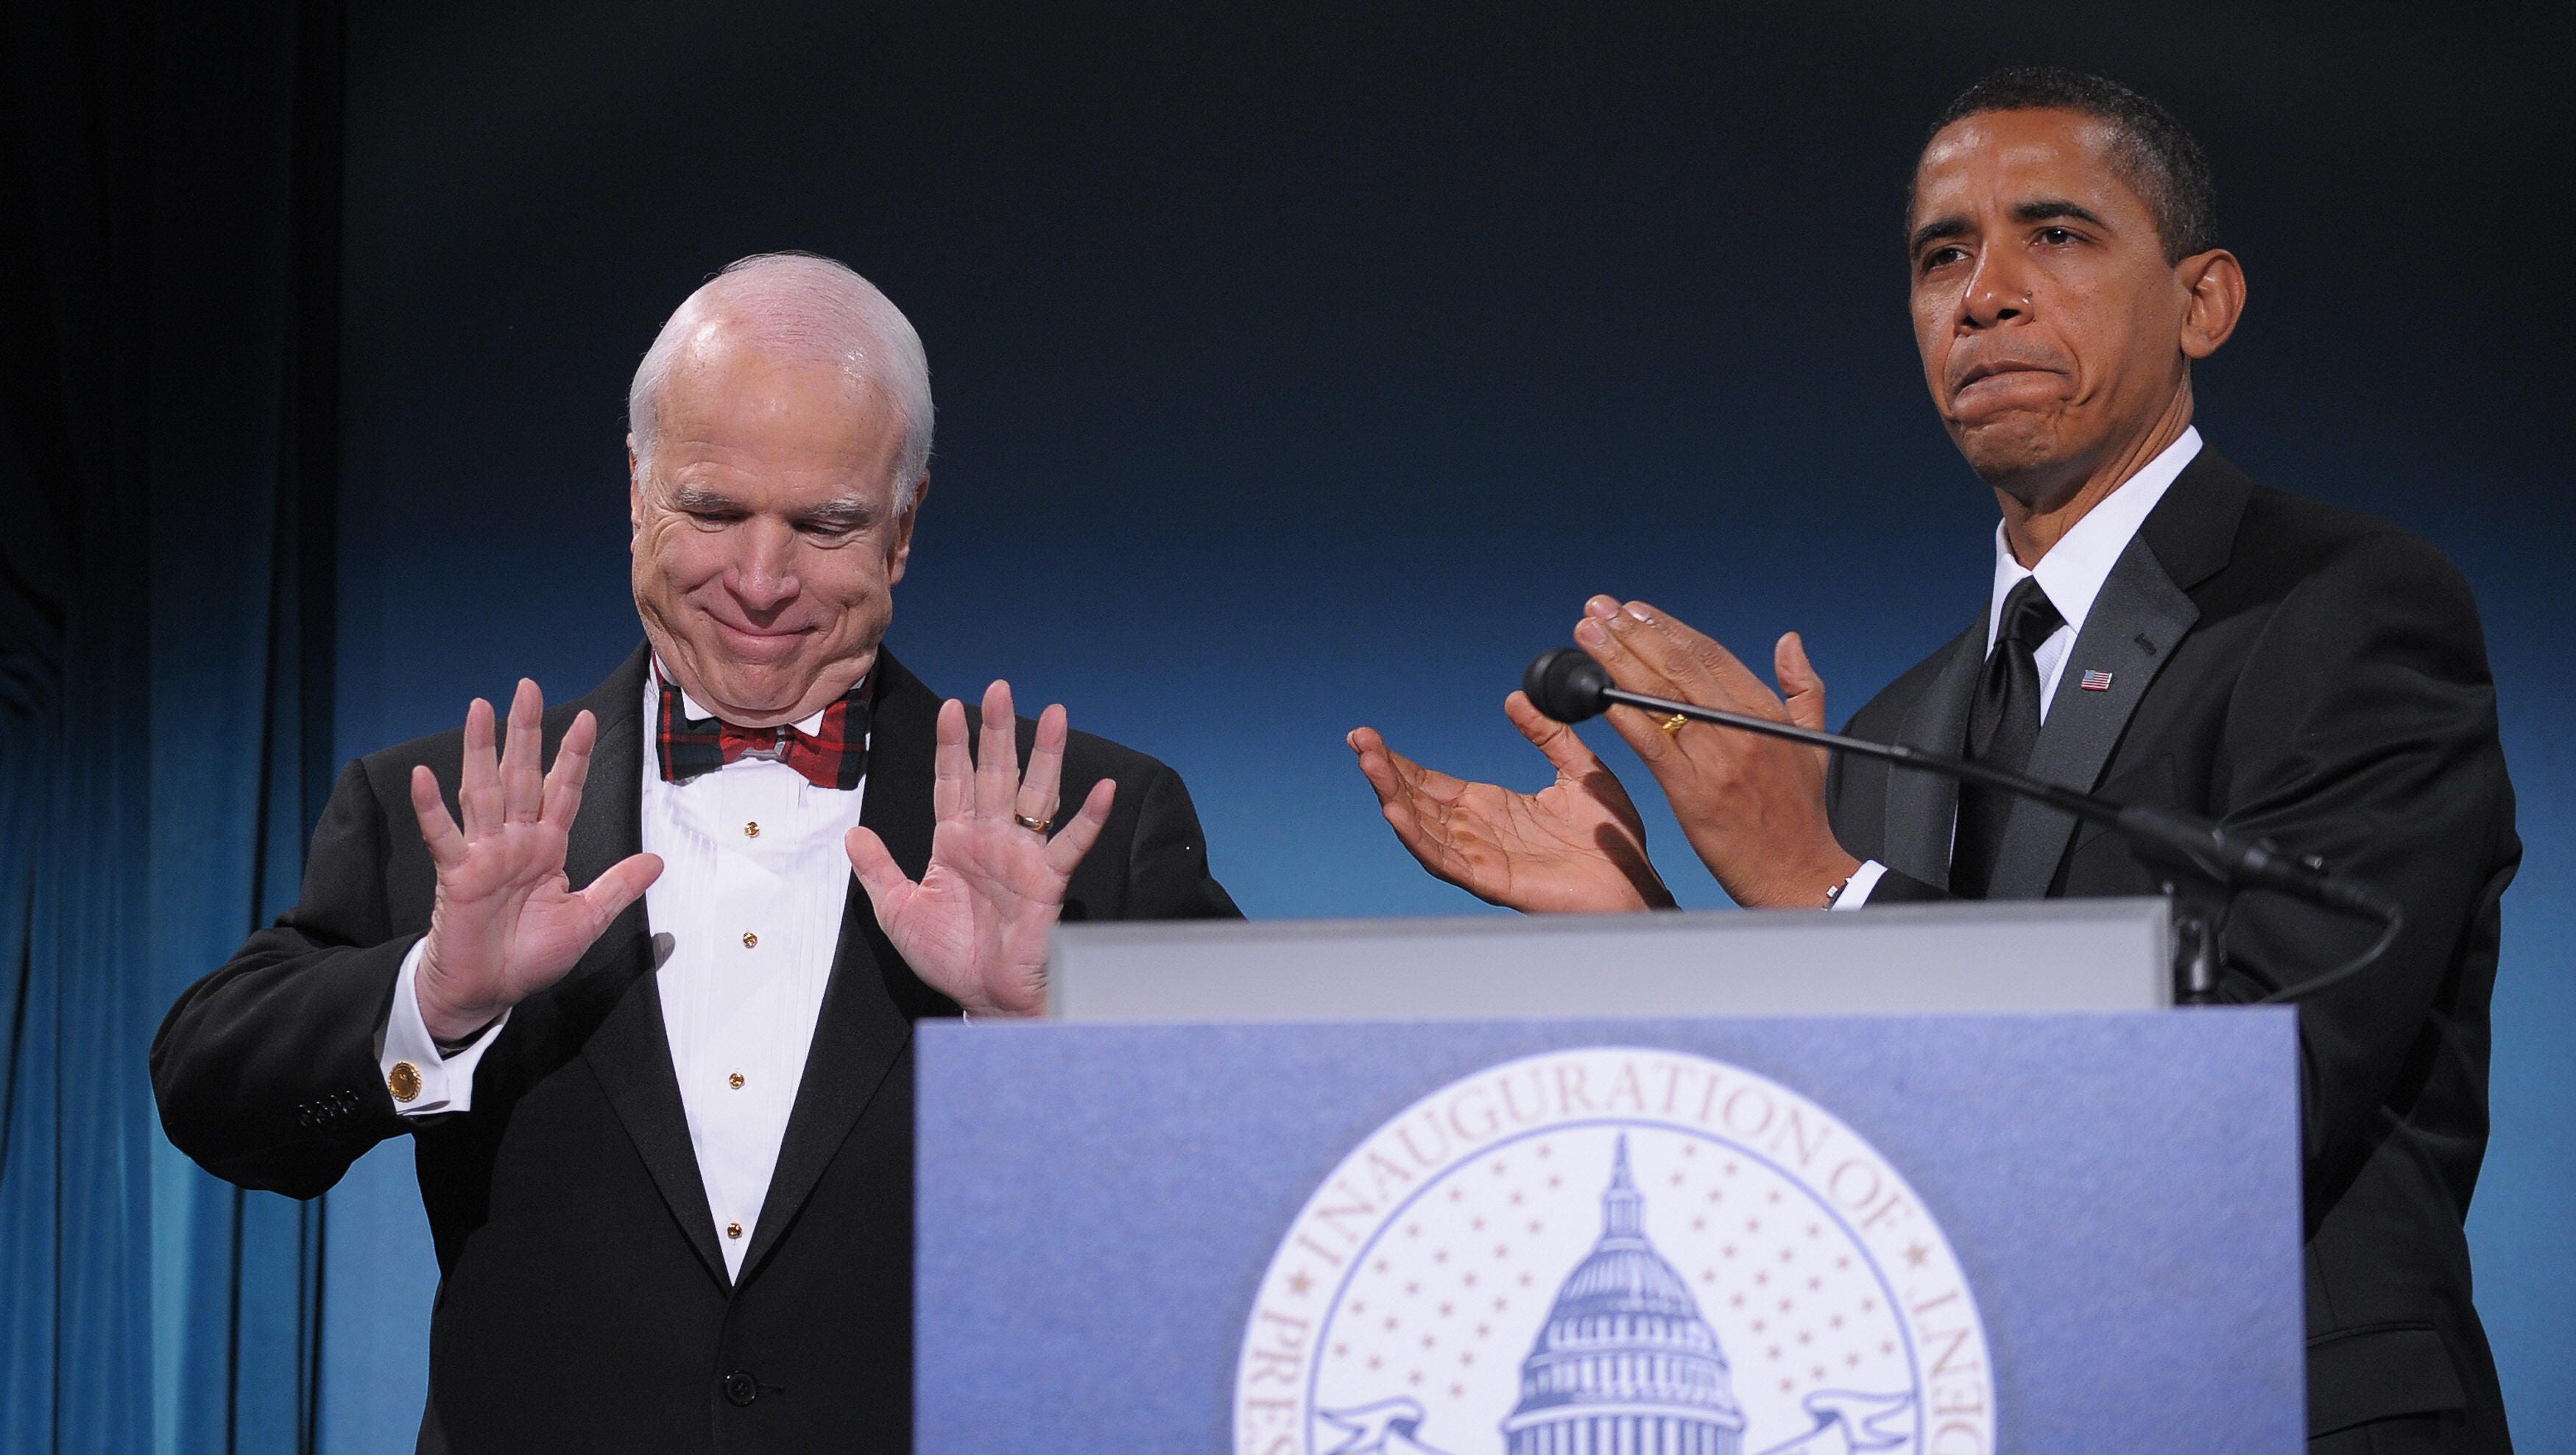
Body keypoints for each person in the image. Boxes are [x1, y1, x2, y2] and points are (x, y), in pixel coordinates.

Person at [1351, 68, 2517, 1454]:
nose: (1986, 294)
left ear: (2203, 302)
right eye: (1942, 256)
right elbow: (1847, 1180)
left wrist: (1816, 882)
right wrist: (1651, 939)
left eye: (2058, 235)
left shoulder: (2343, 610)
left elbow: (2259, 1101)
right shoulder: (1894, 731)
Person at [153, 252, 1238, 1452]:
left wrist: (1048, 1031)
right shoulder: (454, 816)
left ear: (905, 525)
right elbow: (211, 1097)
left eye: (824, 523)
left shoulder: (1092, 826)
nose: (761, 582)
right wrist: (433, 999)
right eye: (714, 512)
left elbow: (1265, 1207)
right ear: (637, 489)